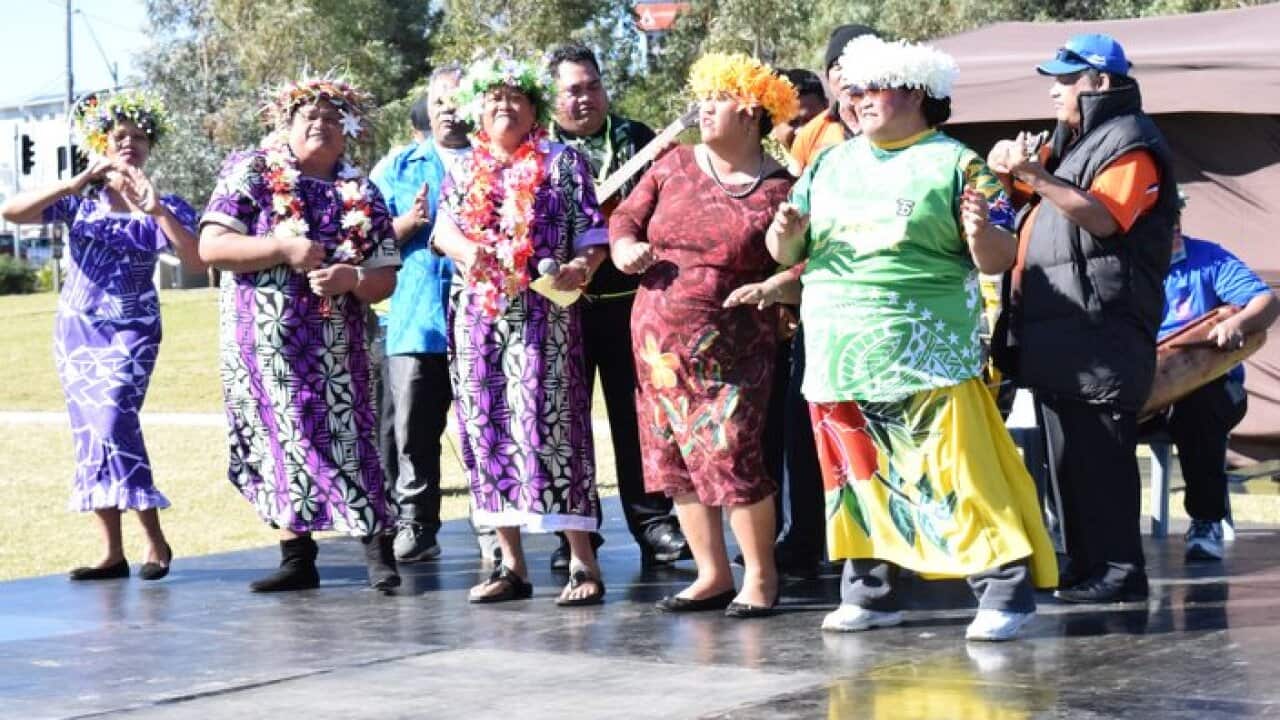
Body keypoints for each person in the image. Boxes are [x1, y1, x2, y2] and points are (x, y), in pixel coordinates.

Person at [769, 35, 1057, 641]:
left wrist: (981, 233)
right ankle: (869, 593)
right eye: (853, 89)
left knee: (956, 475)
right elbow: (786, 250)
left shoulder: (957, 163)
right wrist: (787, 233)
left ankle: (1004, 592)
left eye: (874, 87)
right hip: (838, 352)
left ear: (918, 93)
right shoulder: (827, 162)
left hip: (924, 353)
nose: (858, 99)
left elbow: (998, 258)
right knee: (855, 478)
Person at [989, 33, 1180, 603]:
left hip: (1103, 329)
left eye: (1067, 79)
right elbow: (1032, 214)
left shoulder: (1131, 140)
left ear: (1100, 82)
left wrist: (1040, 177)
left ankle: (1120, 571)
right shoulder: (1075, 142)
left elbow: (1105, 219)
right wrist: (1014, 176)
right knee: (1065, 458)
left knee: (1100, 455)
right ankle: (1083, 562)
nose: (1055, 89)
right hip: (1057, 330)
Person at [610, 52, 798, 618]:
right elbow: (624, 218)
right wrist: (624, 250)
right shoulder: (673, 165)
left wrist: (778, 284)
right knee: (675, 458)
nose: (703, 109)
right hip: (657, 345)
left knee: (733, 454)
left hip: (735, 348)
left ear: (751, 111)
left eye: (716, 99)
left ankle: (760, 577)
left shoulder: (783, 188)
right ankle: (712, 574)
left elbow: (809, 261)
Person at [199, 76, 402, 593]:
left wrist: (352, 279)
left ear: (348, 132)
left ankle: (377, 550)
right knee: (278, 441)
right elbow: (212, 246)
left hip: (338, 347)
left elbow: (384, 278)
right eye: (308, 117)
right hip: (262, 348)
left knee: (350, 440)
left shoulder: (362, 192)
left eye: (334, 119)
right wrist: (281, 248)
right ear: (284, 125)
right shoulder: (252, 172)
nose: (321, 125)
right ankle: (296, 556)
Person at [432, 51, 609, 606]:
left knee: (552, 429)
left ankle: (582, 561)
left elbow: (592, 235)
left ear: (534, 108)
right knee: (486, 431)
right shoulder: (464, 168)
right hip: (480, 321)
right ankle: (510, 564)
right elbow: (444, 230)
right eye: (493, 100)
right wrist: (471, 253)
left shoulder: (563, 163)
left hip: (546, 317)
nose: (503, 107)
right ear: (477, 113)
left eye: (515, 98)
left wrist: (582, 267)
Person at [1, 91, 200, 582]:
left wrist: (158, 212)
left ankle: (154, 539)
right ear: (102, 145)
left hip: (132, 328)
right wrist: (74, 180)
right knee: (90, 433)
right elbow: (13, 213)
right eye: (119, 137)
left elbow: (197, 259)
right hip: (77, 329)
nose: (129, 143)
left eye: (138, 137)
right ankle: (112, 553)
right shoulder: (78, 204)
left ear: (150, 146)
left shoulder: (164, 204)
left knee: (113, 420)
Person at [546, 42, 690, 570]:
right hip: (563, 305)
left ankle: (654, 524)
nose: (584, 99)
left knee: (641, 418)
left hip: (633, 304)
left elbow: (670, 207)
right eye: (572, 91)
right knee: (566, 422)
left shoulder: (640, 140)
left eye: (592, 86)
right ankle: (574, 537)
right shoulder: (538, 148)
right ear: (553, 98)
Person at [370, 64, 481, 565]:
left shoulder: (500, 163)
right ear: (427, 111)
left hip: (487, 319)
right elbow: (363, 240)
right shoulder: (398, 166)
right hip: (418, 319)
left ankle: (497, 527)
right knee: (412, 431)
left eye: (459, 102)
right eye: (440, 104)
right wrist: (407, 223)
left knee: (489, 427)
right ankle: (416, 523)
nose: (450, 112)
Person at [1139, 193, 1278, 561]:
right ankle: (1107, 533)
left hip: (1210, 386)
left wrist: (1237, 323)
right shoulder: (1124, 266)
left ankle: (1205, 521)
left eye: (1174, 219)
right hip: (1142, 387)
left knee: (1199, 405)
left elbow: (1265, 302)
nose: (1171, 229)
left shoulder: (1208, 257)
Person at [787, 24, 877, 173]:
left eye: (856, 62)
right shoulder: (808, 135)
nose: (846, 73)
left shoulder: (900, 124)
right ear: (828, 77)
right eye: (837, 66)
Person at [770, 69, 826, 151]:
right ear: (773, 124)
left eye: (812, 120)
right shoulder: (754, 161)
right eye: (793, 122)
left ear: (826, 108)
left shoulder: (847, 156)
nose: (802, 131)